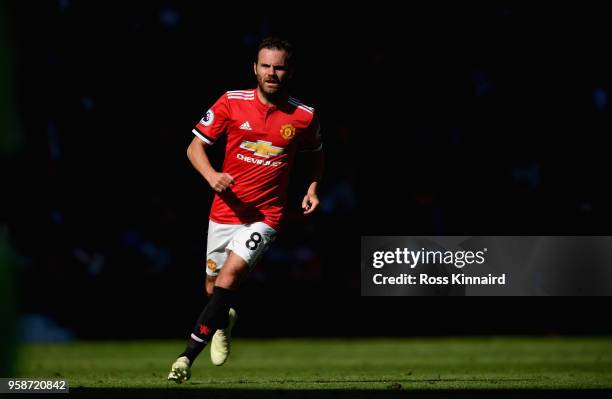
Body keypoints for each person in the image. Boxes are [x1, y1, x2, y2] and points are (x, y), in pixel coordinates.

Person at [168, 37, 324, 383]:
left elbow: (316, 153)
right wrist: (212, 176)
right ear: (255, 68)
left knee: (229, 278)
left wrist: (312, 187)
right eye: (266, 66)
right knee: (212, 289)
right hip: (224, 212)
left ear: (290, 71)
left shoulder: (303, 116)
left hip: (267, 216)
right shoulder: (231, 102)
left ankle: (184, 359)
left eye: (279, 67)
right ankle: (223, 320)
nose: (272, 73)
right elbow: (195, 147)